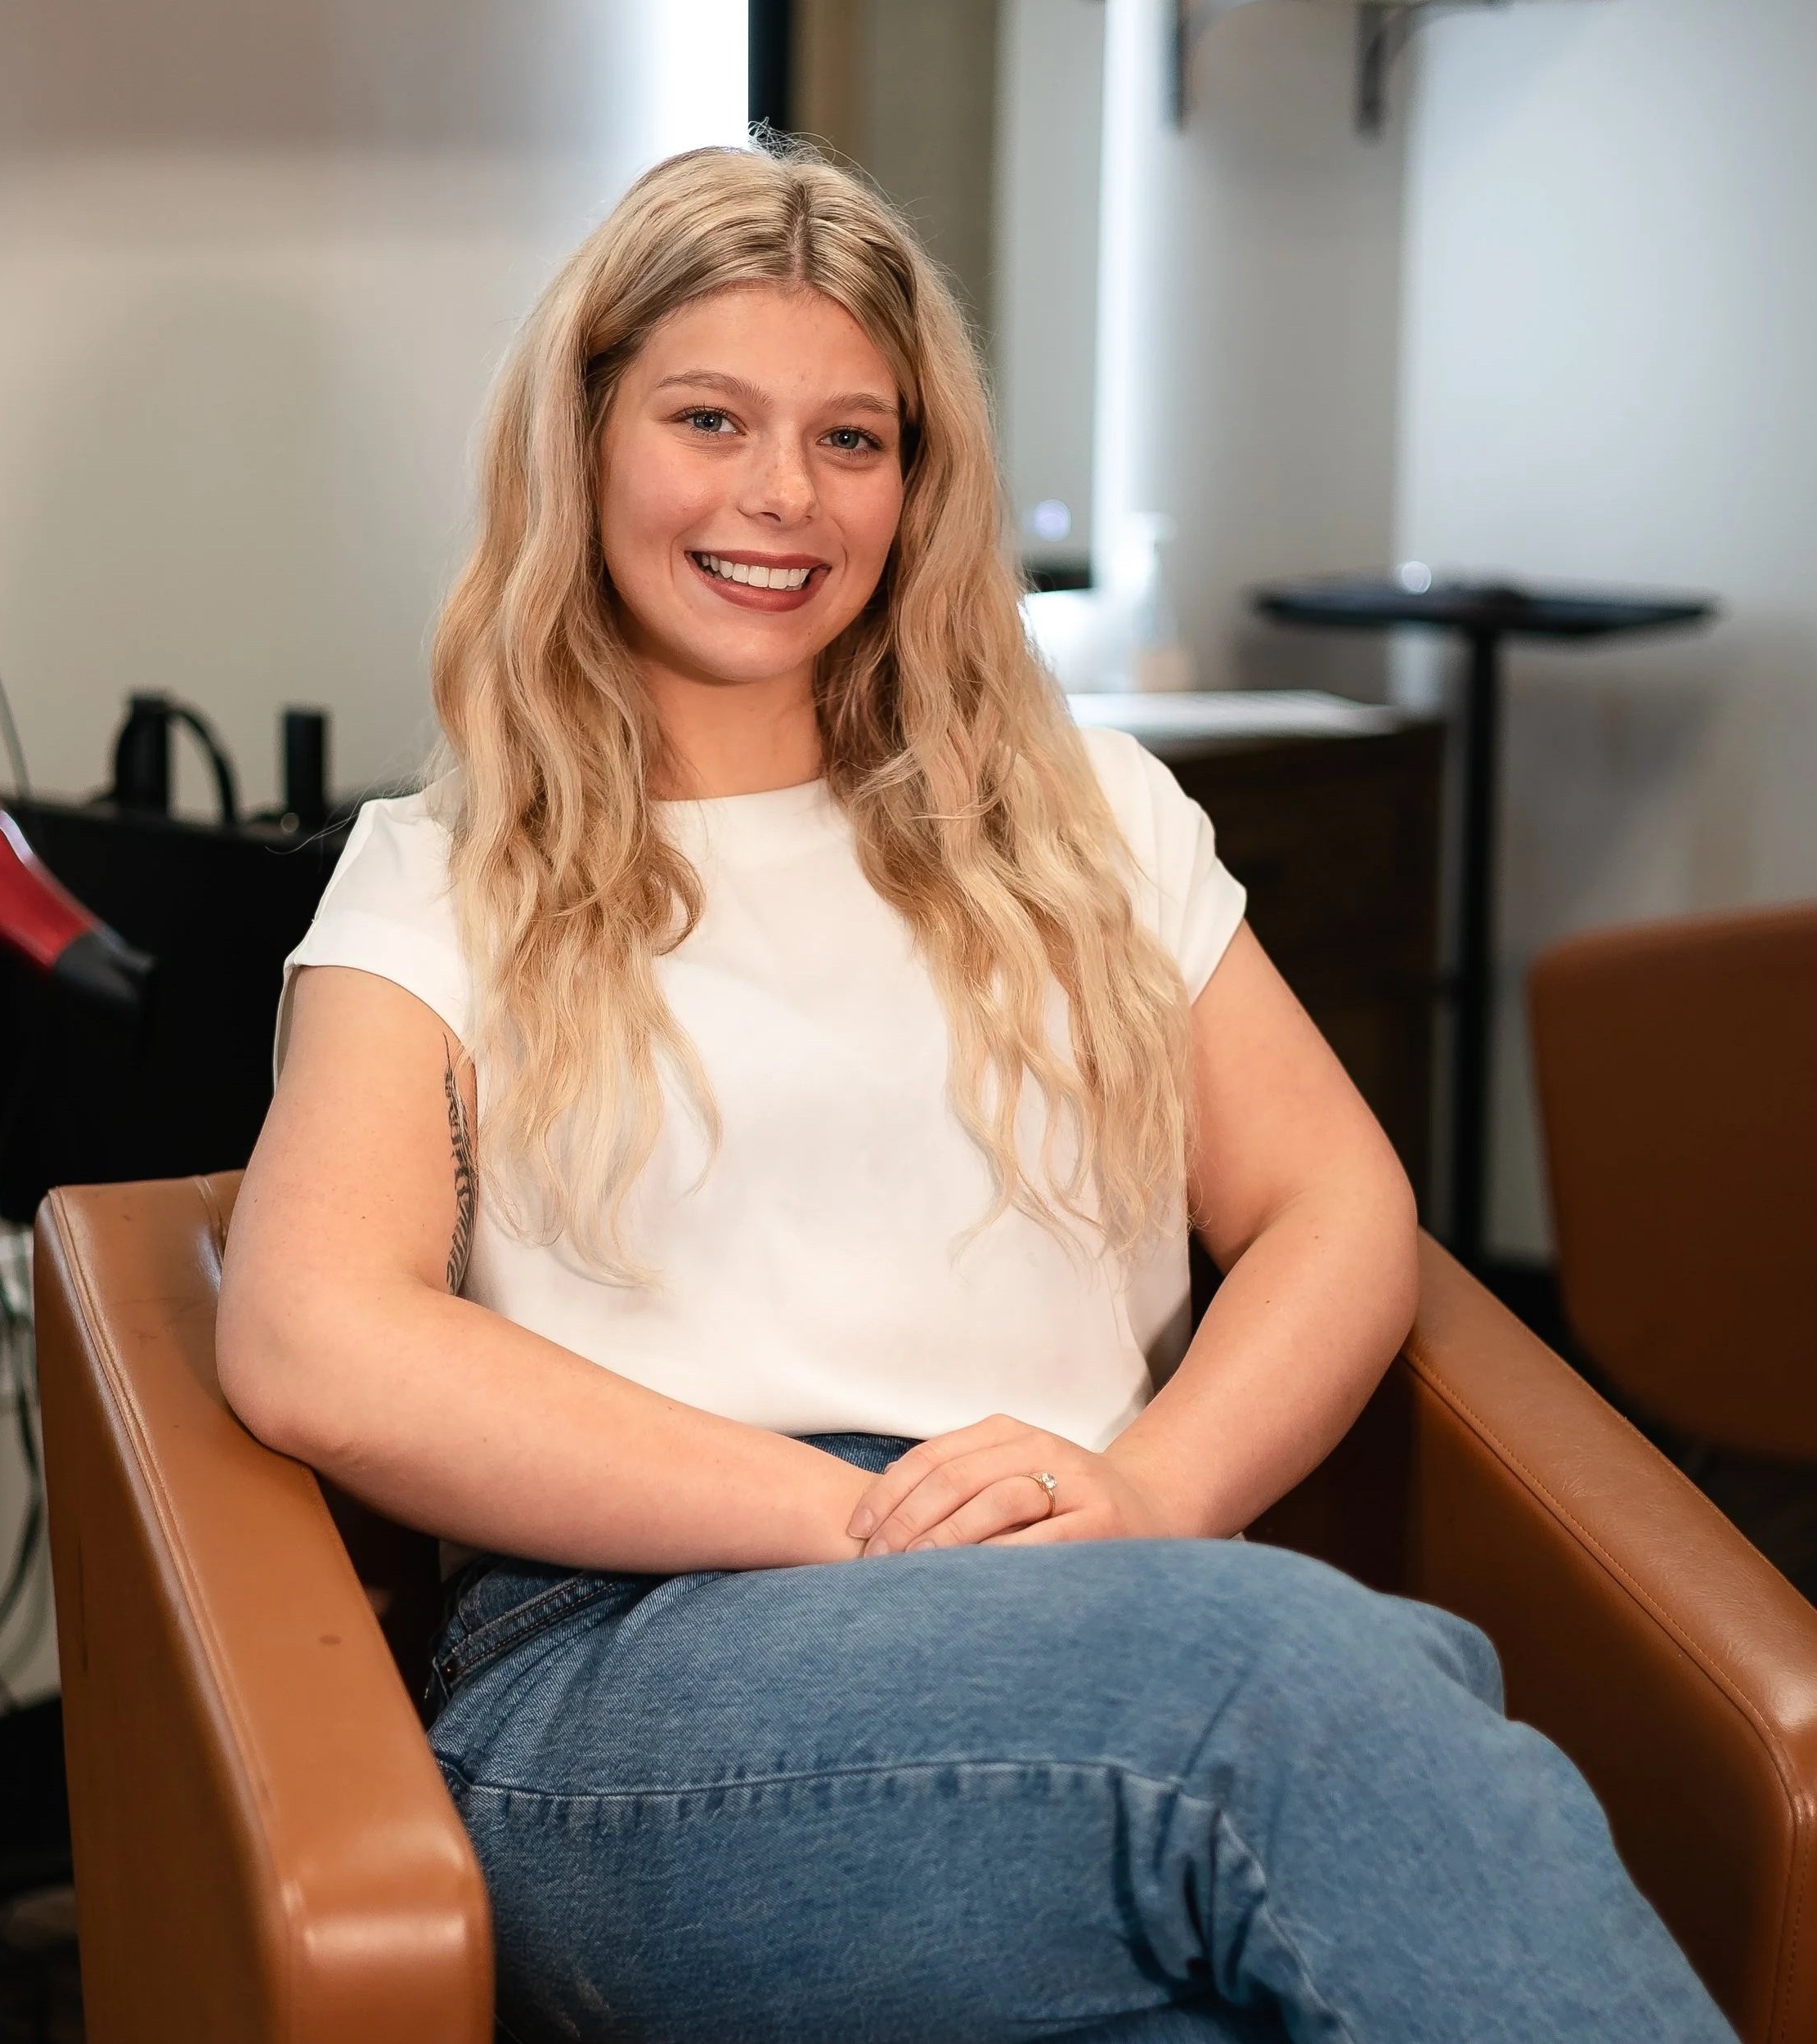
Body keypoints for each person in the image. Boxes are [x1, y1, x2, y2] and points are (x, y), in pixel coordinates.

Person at [218, 143, 1731, 2043]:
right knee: (1301, 1689)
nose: (782, 494)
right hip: (642, 1662)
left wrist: (1147, 1487)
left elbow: (1335, 1207)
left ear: (919, 486)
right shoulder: (443, 870)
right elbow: (310, 1331)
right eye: (709, 418)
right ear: (585, 437)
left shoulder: (1084, 816)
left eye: (854, 439)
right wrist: (861, 1525)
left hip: (1095, 1601)